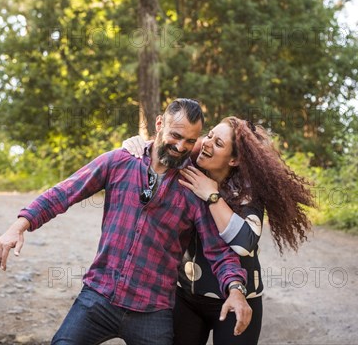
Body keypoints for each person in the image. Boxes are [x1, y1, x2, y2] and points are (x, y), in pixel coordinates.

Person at [0, 99, 252, 345]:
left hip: (153, 310)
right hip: (99, 297)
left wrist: (236, 291)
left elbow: (218, 251)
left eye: (190, 141)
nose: (181, 146)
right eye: (176, 135)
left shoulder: (194, 186)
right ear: (159, 124)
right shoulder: (120, 161)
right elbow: (64, 193)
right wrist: (19, 225)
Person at [123, 116, 314, 344]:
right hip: (186, 296)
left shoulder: (247, 191)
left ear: (234, 160)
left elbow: (244, 243)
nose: (207, 143)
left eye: (218, 143)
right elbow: (164, 149)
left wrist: (212, 196)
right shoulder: (189, 169)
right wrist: (137, 144)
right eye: (210, 135)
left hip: (238, 299)